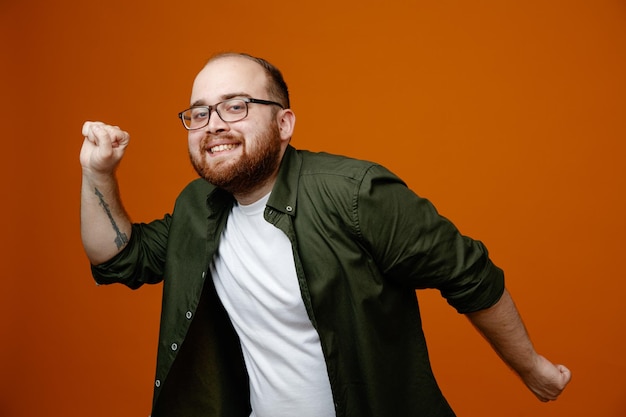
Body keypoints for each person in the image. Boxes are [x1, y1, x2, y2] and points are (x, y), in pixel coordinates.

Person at [79, 52, 571, 417]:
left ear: (285, 122)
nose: (213, 125)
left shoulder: (357, 193)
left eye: (235, 106)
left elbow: (470, 275)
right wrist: (97, 173)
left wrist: (532, 368)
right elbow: (118, 259)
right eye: (200, 112)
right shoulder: (196, 207)